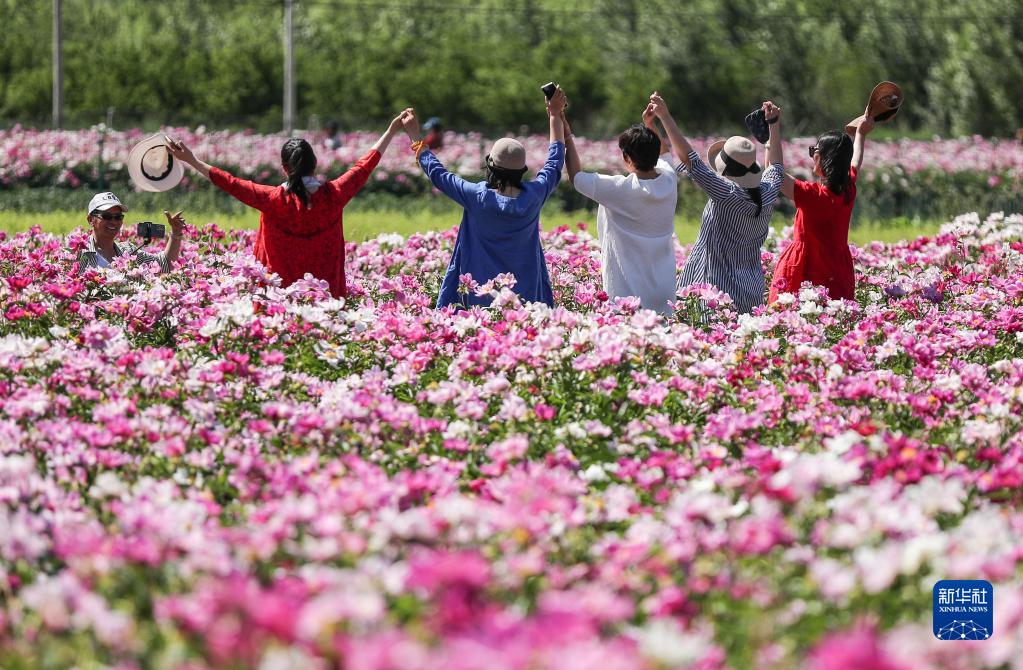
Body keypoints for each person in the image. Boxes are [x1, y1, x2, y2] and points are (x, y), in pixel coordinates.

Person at [165, 111, 409, 299]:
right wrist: (392, 129)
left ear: (284, 167)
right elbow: (364, 166)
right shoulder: (334, 195)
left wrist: (191, 160)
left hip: (278, 301)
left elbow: (229, 181)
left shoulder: (272, 200)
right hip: (327, 300)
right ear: (315, 163)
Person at [400, 91, 566, 309]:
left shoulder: (476, 197)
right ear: (522, 170)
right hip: (526, 298)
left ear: (490, 167)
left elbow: (438, 174)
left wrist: (415, 137)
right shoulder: (535, 195)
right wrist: (555, 114)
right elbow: (555, 162)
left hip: (477, 296)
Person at [650, 93, 784, 314]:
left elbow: (689, 159)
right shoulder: (767, 193)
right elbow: (777, 167)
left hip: (715, 293)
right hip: (751, 290)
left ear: (724, 168)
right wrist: (774, 126)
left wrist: (664, 116)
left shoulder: (726, 193)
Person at [562, 99, 679, 314]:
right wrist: (650, 125)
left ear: (627, 158)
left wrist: (566, 134)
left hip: (628, 294)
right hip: (665, 290)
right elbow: (664, 154)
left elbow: (576, 177)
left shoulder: (620, 189)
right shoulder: (669, 180)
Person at [768, 114, 873, 303]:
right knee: (834, 319)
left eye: (814, 151)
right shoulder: (848, 189)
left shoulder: (811, 195)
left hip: (805, 269)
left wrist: (773, 127)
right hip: (837, 269)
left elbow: (775, 173)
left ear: (823, 158)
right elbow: (855, 160)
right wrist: (860, 133)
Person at [76, 191, 185, 274]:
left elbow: (165, 264)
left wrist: (176, 232)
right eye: (107, 216)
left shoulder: (128, 251)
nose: (113, 221)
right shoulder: (78, 253)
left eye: (118, 217)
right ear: (91, 220)